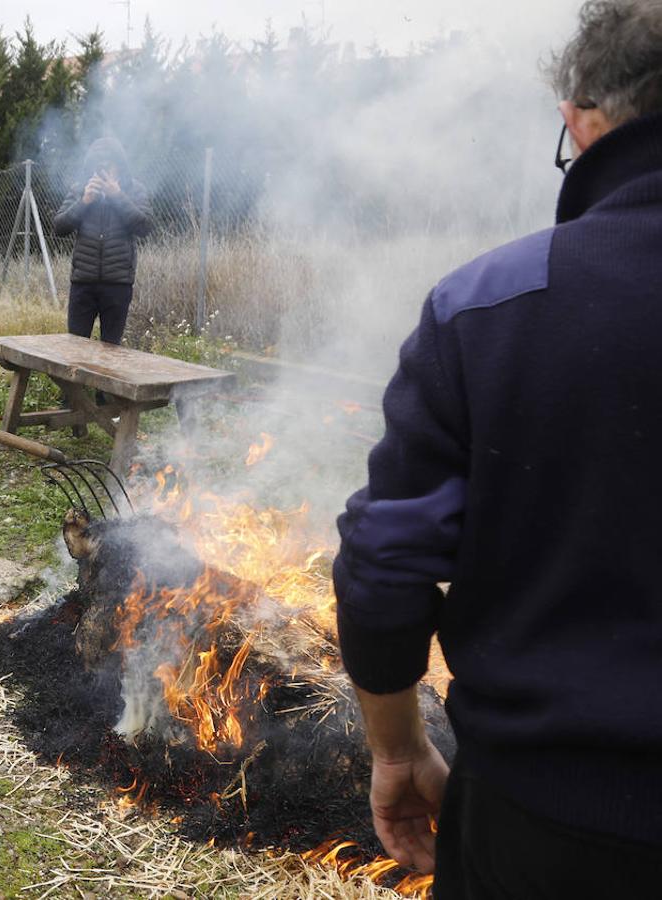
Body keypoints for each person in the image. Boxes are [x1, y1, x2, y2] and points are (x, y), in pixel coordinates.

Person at [332, 2, 662, 894]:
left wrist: (396, 749)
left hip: (540, 824)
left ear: (579, 119)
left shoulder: (488, 306)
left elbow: (384, 564)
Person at [50, 137, 153, 347]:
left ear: (119, 165)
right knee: (76, 348)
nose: (103, 171)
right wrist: (84, 201)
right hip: (83, 283)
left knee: (111, 350)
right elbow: (59, 227)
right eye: (98, 166)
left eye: (108, 165)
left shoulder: (134, 189)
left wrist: (117, 196)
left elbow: (145, 227)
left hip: (118, 284)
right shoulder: (81, 189)